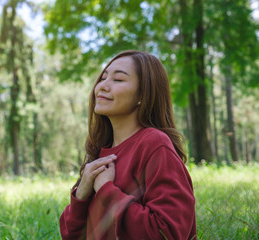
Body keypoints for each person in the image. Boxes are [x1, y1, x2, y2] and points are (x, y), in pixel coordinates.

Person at [59, 50, 197, 240]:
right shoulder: (100, 152)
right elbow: (70, 236)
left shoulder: (155, 144)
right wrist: (81, 194)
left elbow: (167, 233)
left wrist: (107, 190)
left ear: (143, 94)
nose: (102, 86)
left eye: (118, 80)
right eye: (103, 77)